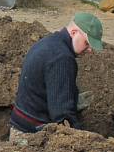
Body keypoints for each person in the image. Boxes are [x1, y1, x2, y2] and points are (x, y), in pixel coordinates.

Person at [9, 12, 103, 143]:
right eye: (87, 43)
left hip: (19, 123)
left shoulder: (49, 42)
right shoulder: (62, 58)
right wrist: (83, 140)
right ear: (74, 32)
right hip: (31, 136)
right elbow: (61, 114)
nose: (89, 50)